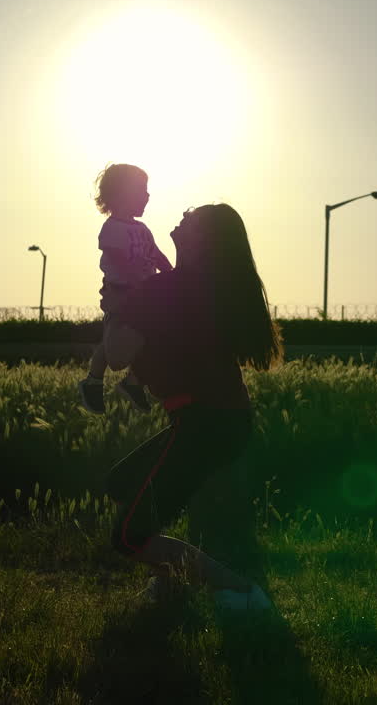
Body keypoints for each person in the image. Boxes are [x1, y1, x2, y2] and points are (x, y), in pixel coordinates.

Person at [103, 203, 283, 610]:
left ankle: (242, 593)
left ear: (204, 240)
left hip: (202, 424)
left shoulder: (166, 290)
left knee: (129, 536)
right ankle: (172, 583)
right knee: (122, 485)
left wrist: (115, 306)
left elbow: (116, 354)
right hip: (223, 423)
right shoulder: (203, 286)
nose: (181, 218)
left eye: (191, 218)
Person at [78, 163, 173, 414]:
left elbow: (157, 255)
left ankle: (133, 381)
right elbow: (120, 260)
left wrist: (170, 274)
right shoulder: (112, 229)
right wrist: (140, 285)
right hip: (121, 294)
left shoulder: (142, 230)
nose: (148, 195)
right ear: (121, 194)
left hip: (143, 295)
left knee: (149, 335)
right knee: (111, 342)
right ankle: (93, 380)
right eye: (142, 190)